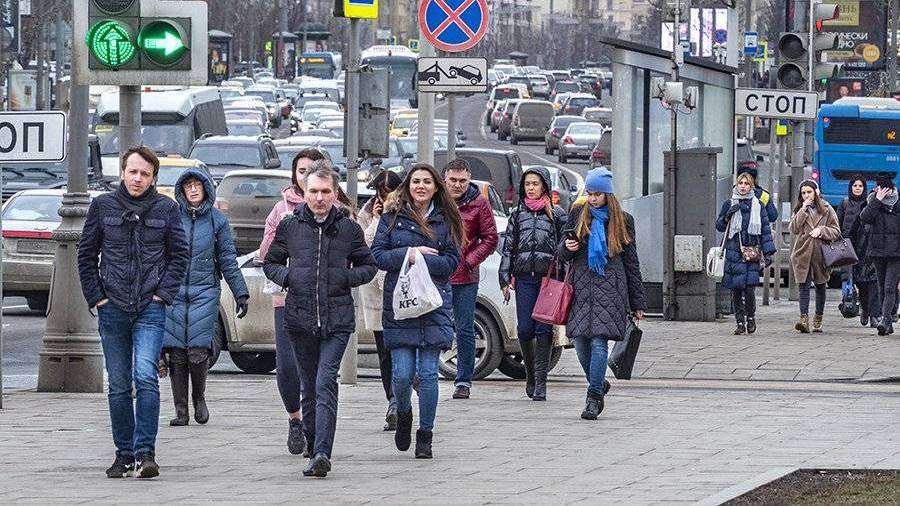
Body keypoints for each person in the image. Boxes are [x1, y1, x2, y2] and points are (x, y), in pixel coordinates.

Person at [78, 146, 189, 479]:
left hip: (149, 307)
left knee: (145, 376)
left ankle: (146, 453)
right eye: (133, 171)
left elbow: (179, 256)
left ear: (153, 177)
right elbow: (86, 255)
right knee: (119, 384)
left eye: (145, 173)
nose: (138, 178)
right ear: (122, 172)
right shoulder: (102, 206)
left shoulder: (166, 209)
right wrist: (97, 297)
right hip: (111, 306)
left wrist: (162, 296)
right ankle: (123, 454)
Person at [263, 162, 377, 478]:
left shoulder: (349, 229)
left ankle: (324, 452)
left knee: (326, 381)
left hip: (337, 320)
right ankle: (313, 446)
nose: (319, 198)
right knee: (309, 386)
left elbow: (369, 266)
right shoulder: (290, 226)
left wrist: (344, 276)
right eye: (313, 191)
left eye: (326, 192)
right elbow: (269, 263)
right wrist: (289, 277)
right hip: (299, 319)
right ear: (304, 192)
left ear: (335, 193)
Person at [371, 163, 463, 460]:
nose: (420, 186)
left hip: (434, 304)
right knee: (401, 374)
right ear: (408, 186)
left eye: (427, 182)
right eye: (415, 181)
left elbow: (451, 262)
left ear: (436, 187)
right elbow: (378, 256)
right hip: (401, 304)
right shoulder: (392, 216)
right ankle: (404, 412)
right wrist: (412, 254)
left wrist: (425, 264)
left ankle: (426, 434)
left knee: (427, 374)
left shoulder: (446, 219)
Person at [161, 169, 249, 427]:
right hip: (174, 292)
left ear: (206, 188)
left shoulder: (217, 221)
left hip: (205, 291)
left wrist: (240, 292)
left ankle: (198, 398)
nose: (193, 189)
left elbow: (228, 260)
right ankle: (180, 411)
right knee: (177, 352)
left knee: (198, 350)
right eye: (188, 185)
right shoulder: (172, 218)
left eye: (197, 185)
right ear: (182, 190)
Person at [559, 168, 646, 419]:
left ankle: (594, 397)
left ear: (608, 194)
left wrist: (637, 301)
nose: (593, 198)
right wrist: (567, 247)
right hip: (581, 286)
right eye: (590, 193)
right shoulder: (577, 214)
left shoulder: (623, 220)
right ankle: (598, 383)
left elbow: (632, 262)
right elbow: (562, 253)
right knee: (579, 342)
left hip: (611, 288)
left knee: (599, 342)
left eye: (597, 194)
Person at [258, 148, 324, 456]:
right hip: (287, 298)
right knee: (287, 366)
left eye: (313, 169)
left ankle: (316, 427)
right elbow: (265, 256)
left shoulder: (334, 208)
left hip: (323, 302)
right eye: (301, 171)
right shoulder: (280, 210)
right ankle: (295, 420)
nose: (307, 175)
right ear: (294, 175)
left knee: (316, 369)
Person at [498, 166, 566, 401]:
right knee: (525, 329)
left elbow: (565, 246)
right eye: (527, 184)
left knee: (543, 329)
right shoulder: (517, 214)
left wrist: (563, 274)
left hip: (548, 280)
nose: (531, 188)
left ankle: (541, 382)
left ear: (544, 186)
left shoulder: (556, 214)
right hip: (525, 278)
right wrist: (504, 278)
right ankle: (530, 375)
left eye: (535, 184)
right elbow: (508, 248)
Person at [444, 159, 498, 399]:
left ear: (469, 180)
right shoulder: (436, 202)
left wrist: (469, 261)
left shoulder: (479, 203)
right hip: (436, 274)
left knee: (464, 328)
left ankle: (463, 380)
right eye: (453, 180)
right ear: (445, 179)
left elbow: (490, 238)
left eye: (462, 181)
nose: (457, 185)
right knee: (433, 324)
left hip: (465, 276)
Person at [357, 169, 404, 430]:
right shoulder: (368, 212)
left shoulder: (406, 212)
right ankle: (392, 402)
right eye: (381, 193)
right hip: (376, 295)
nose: (386, 198)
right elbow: (364, 246)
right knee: (385, 354)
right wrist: (377, 220)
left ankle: (402, 399)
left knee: (401, 352)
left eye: (390, 192)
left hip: (401, 293)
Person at [715, 172, 777, 334]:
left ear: (751, 186)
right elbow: (720, 226)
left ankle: (751, 318)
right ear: (736, 185)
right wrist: (727, 216)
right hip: (734, 252)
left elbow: (764, 230)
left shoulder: (758, 204)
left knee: (749, 289)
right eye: (740, 183)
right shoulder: (729, 203)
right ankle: (739, 322)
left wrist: (768, 252)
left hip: (751, 253)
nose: (743, 186)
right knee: (736, 289)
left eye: (746, 183)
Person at [789, 180, 841, 333]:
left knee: (820, 285)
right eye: (803, 193)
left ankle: (818, 318)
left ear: (816, 192)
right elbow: (793, 228)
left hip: (820, 254)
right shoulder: (799, 208)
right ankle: (803, 319)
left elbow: (836, 230)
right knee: (803, 286)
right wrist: (803, 209)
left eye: (809, 192)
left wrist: (822, 230)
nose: (806, 195)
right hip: (802, 252)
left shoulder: (826, 208)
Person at [859, 174, 900, 336]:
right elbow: (864, 218)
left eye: (886, 189)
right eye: (880, 188)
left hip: (896, 253)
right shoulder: (872, 202)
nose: (884, 192)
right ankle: (888, 322)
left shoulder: (898, 202)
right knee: (881, 287)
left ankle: (885, 321)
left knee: (890, 288)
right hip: (877, 252)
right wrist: (877, 200)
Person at [836, 175, 879, 328]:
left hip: (868, 248)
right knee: (860, 283)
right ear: (851, 188)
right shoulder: (845, 204)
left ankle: (874, 315)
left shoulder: (869, 204)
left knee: (873, 282)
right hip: (851, 249)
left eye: (860, 186)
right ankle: (865, 310)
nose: (858, 188)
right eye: (855, 186)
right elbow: (838, 226)